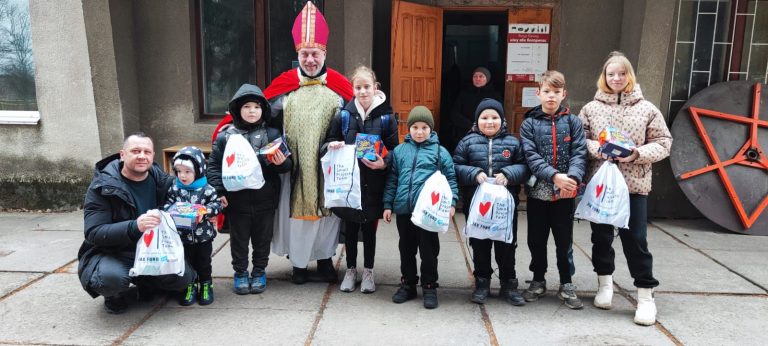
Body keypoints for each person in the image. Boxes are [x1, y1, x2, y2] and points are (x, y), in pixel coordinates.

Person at [210, 2, 353, 284]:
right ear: (297, 55)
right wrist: (231, 126)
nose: (310, 60)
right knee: (296, 219)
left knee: (327, 217)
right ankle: (299, 265)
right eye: (304, 54)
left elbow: (357, 118)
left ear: (324, 54)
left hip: (326, 166)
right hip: (293, 166)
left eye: (315, 54)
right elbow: (257, 115)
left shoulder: (339, 88)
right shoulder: (285, 86)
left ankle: (325, 260)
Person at [578, 51, 672, 325]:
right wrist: (600, 149)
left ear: (630, 75)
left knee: (636, 239)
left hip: (634, 185)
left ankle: (645, 295)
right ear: (604, 77)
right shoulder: (591, 108)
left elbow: (663, 142)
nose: (616, 78)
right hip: (602, 185)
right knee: (601, 237)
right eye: (611, 74)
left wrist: (636, 154)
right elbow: (580, 139)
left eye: (621, 73)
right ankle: (605, 284)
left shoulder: (647, 109)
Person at [78, 133, 196, 314]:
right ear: (122, 155)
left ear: (153, 156)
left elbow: (195, 192)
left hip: (154, 250)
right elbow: (94, 232)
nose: (142, 156)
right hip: (115, 252)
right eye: (135, 151)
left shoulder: (162, 181)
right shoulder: (102, 187)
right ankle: (114, 295)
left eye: (147, 152)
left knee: (183, 279)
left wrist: (211, 207)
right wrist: (134, 226)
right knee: (109, 279)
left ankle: (146, 281)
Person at [208, 84, 292, 295]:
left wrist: (281, 163)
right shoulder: (225, 137)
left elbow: (287, 166)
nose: (252, 111)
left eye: (256, 106)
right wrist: (219, 192)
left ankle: (259, 271)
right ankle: (240, 273)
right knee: (239, 240)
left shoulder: (271, 134)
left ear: (263, 109)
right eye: (247, 106)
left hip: (265, 198)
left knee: (262, 239)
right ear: (238, 109)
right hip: (237, 201)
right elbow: (214, 166)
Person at [324, 66, 398, 293]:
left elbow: (395, 151)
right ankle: (350, 269)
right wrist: (333, 145)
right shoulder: (344, 115)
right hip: (348, 184)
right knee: (350, 229)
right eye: (358, 87)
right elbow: (328, 141)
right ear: (352, 89)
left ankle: (368, 271)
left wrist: (383, 162)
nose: (363, 91)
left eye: (367, 87)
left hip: (374, 183)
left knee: (369, 230)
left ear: (375, 88)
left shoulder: (387, 117)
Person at [519, 70, 587, 310]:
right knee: (536, 239)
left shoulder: (573, 122)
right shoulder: (529, 124)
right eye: (547, 91)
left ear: (563, 94)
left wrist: (572, 179)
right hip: (538, 192)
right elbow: (531, 156)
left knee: (564, 240)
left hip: (565, 193)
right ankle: (538, 279)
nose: (551, 96)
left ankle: (566, 282)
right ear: (538, 93)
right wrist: (554, 176)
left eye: (556, 92)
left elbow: (579, 153)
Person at [453, 98, 529, 306]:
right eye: (484, 117)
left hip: (505, 206)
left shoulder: (513, 143)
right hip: (477, 205)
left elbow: (524, 166)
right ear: (477, 121)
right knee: (480, 243)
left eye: (494, 117)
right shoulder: (467, 142)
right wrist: (473, 173)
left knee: (506, 244)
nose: (489, 122)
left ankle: (508, 284)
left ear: (502, 120)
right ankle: (482, 283)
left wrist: (509, 173)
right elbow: (456, 166)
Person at [382, 106, 458, 309]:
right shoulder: (400, 152)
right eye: (415, 127)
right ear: (408, 128)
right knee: (406, 249)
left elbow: (450, 179)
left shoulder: (440, 152)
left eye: (424, 127)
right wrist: (388, 204)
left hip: (427, 213)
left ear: (431, 129)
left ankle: (429, 285)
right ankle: (408, 284)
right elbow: (392, 179)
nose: (419, 132)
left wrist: (452, 203)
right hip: (404, 210)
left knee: (429, 251)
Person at [163, 146, 222, 306]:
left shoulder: (207, 189)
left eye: (187, 171)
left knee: (204, 262)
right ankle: (190, 285)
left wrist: (206, 211)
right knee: (187, 262)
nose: (182, 176)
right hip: (182, 237)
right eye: (179, 171)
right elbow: (167, 204)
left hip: (203, 237)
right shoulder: (175, 189)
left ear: (198, 171)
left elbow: (217, 205)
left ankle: (206, 285)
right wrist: (171, 211)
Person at [446, 67, 502, 153]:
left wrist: (483, 125)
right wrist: (471, 125)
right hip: (465, 133)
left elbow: (499, 115)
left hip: (487, 133)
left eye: (481, 76)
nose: (477, 79)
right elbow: (454, 114)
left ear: (487, 79)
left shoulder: (495, 95)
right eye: (475, 76)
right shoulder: (464, 94)